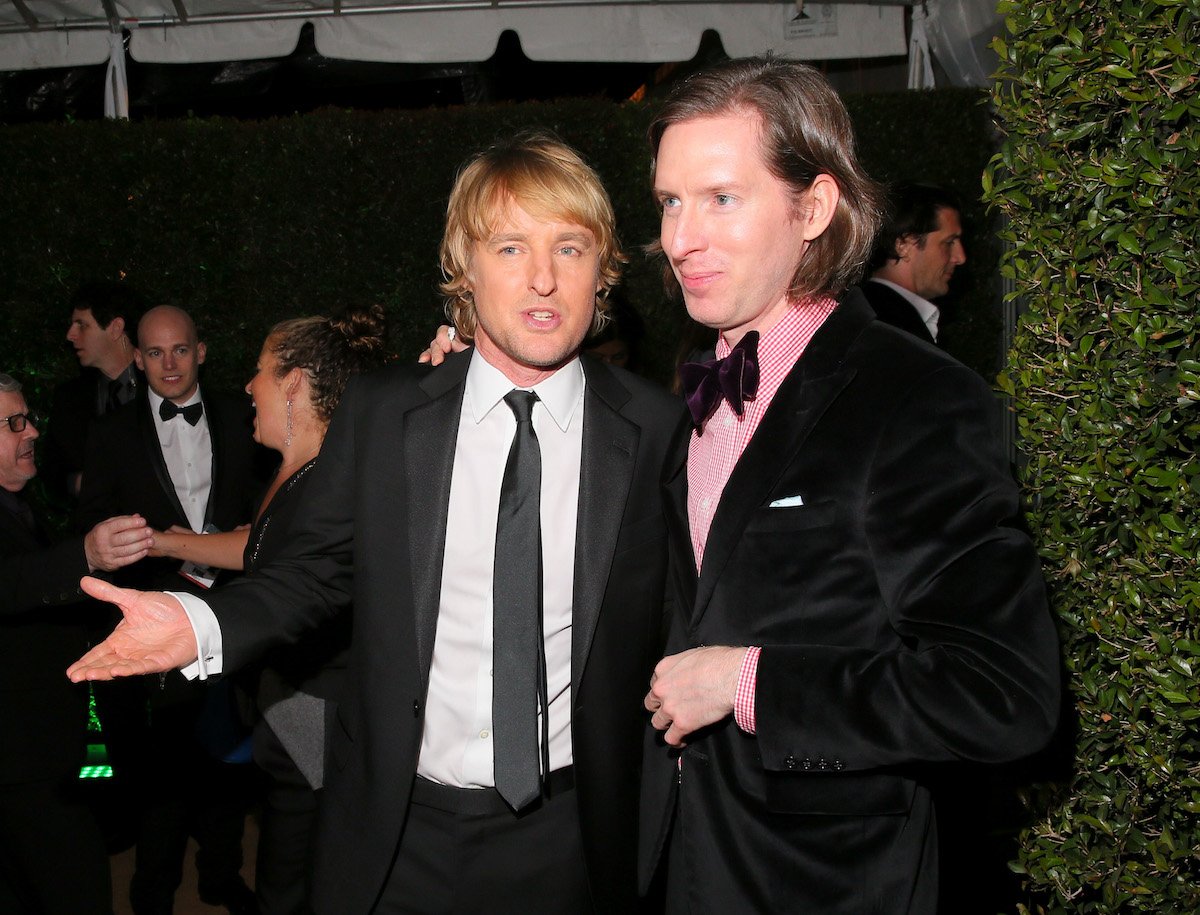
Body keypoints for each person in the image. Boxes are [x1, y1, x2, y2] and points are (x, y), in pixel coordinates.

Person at [68, 133, 686, 913]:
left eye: (570, 247)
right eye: (509, 246)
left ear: (603, 271)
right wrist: (199, 625)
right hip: (400, 830)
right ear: (465, 268)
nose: (542, 278)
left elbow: (677, 617)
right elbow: (310, 571)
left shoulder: (656, 429)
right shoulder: (390, 412)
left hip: (571, 835)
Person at [636, 57, 1060, 912]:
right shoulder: (688, 396)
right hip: (684, 864)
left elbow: (1001, 693)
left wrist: (748, 682)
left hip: (828, 881)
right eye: (670, 202)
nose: (681, 239)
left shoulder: (917, 398)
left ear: (813, 208)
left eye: (721, 198)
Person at [148, 305, 388, 914]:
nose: (247, 386)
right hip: (287, 703)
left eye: (258, 371)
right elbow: (259, 546)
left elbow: (299, 583)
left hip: (319, 709)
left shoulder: (335, 478)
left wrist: (195, 630)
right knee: (292, 851)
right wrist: (167, 541)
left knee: (302, 869)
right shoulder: (297, 470)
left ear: (294, 383)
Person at [77, 304, 264, 915]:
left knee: (230, 754)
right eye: (154, 353)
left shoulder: (245, 417)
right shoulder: (110, 433)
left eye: (180, 350)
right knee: (159, 767)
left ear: (201, 351)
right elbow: (92, 526)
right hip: (152, 617)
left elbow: (271, 502)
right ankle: (153, 891)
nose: (169, 364)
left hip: (235, 611)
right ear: (137, 358)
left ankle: (220, 874)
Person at [0, 371, 152, 914]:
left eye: (28, 417)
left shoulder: (18, 499)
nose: (33, 430)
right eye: (14, 422)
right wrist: (84, 556)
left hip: (43, 748)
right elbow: (13, 582)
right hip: (20, 760)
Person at [42, 280, 145, 502]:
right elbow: (52, 476)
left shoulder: (164, 386)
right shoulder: (69, 398)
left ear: (116, 328)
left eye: (82, 324)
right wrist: (82, 483)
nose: (70, 334)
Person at [860, 182, 968, 344]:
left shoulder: (867, 311)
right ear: (904, 246)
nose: (960, 257)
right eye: (949, 242)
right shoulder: (885, 327)